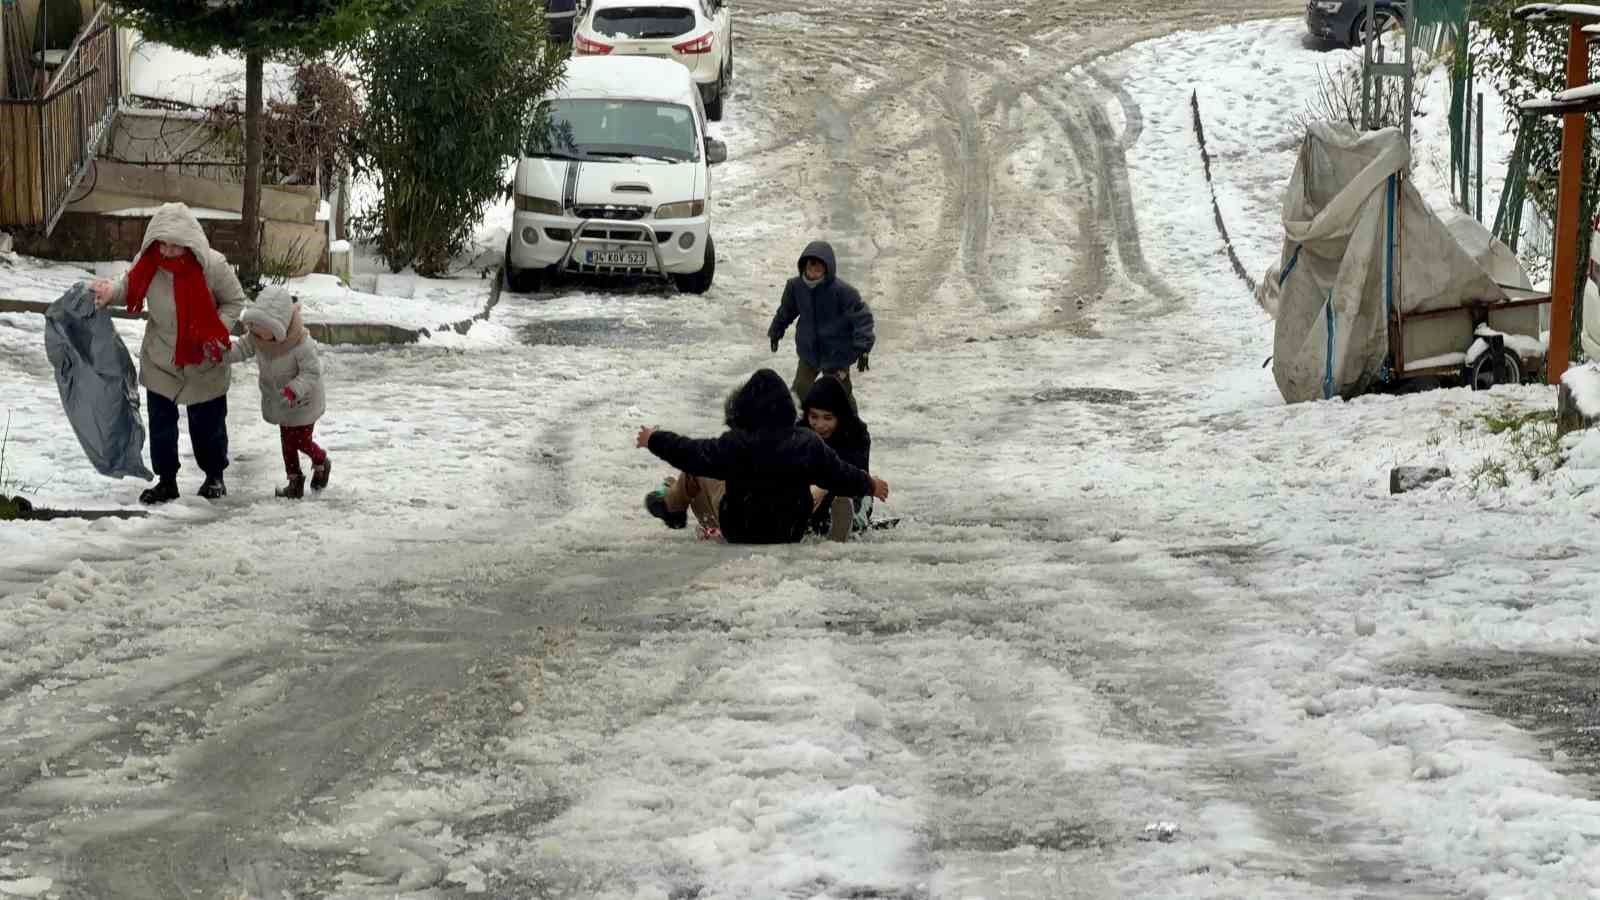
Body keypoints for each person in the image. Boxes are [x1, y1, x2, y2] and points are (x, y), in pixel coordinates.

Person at [91, 202, 246, 504]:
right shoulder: (148, 261)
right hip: (161, 357)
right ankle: (167, 481)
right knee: (161, 425)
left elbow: (235, 301)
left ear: (191, 241)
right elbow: (128, 286)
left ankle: (214, 475)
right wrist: (111, 293)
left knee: (208, 426)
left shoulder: (212, 266)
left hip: (204, 359)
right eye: (162, 244)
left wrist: (216, 331)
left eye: (175, 246)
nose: (167, 252)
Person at [638, 369, 889, 544]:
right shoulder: (805, 441)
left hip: (740, 528)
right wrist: (871, 484)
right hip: (789, 529)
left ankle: (672, 508)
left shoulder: (734, 443)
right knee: (814, 485)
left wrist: (653, 439)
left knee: (696, 469)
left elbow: (688, 452)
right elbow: (839, 473)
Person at [223, 287, 331, 499]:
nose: (254, 331)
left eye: (260, 327)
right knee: (287, 441)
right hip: (280, 399)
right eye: (252, 325)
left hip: (304, 400)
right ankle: (295, 481)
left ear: (278, 327)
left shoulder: (301, 343)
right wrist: (222, 353)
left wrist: (295, 389)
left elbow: (311, 372)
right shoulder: (258, 336)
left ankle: (321, 461)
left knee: (300, 440)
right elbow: (241, 349)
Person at [768, 240, 875, 400]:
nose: (813, 272)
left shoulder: (843, 292)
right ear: (803, 266)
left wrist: (863, 348)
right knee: (799, 392)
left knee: (840, 395)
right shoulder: (795, 287)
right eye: (810, 267)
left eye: (818, 268)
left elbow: (862, 318)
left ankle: (851, 422)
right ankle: (795, 421)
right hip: (809, 352)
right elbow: (786, 311)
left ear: (827, 269)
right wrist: (776, 331)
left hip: (837, 354)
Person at [799, 375, 873, 541]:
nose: (819, 425)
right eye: (814, 416)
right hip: (809, 496)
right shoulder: (800, 431)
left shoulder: (856, 433)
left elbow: (855, 474)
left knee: (850, 499)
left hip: (848, 493)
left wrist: (824, 487)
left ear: (840, 417)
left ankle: (847, 525)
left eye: (828, 418)